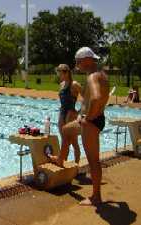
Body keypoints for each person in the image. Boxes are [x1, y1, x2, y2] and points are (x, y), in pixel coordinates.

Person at [50, 47, 109, 206]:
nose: (76, 65)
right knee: (66, 130)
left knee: (93, 161)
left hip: (90, 122)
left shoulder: (92, 77)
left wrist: (88, 118)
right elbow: (102, 98)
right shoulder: (102, 75)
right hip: (96, 118)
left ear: (87, 60)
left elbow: (96, 98)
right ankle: (61, 159)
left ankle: (96, 197)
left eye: (78, 61)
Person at [56, 64, 82, 164]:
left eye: (60, 72)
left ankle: (76, 164)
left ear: (66, 72)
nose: (58, 74)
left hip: (70, 114)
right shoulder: (61, 84)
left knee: (74, 142)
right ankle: (64, 163)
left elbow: (86, 98)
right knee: (64, 141)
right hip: (62, 114)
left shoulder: (74, 84)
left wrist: (79, 112)